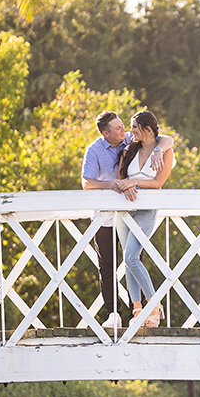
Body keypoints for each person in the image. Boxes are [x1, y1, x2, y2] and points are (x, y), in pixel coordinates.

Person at [81, 110, 173, 327]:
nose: (126, 131)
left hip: (138, 209)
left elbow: (166, 139)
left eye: (127, 126)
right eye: (119, 128)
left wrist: (159, 149)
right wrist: (116, 185)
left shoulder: (132, 141)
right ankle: (119, 313)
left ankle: (147, 307)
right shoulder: (96, 150)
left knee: (132, 258)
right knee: (109, 265)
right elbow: (88, 183)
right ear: (106, 133)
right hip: (107, 213)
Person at [115, 110, 175, 327]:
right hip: (124, 210)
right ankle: (137, 309)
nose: (130, 132)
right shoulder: (129, 150)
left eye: (134, 127)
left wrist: (135, 183)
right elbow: (121, 179)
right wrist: (126, 185)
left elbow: (158, 183)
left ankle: (154, 304)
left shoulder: (164, 152)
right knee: (128, 260)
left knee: (132, 256)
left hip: (147, 210)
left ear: (147, 129)